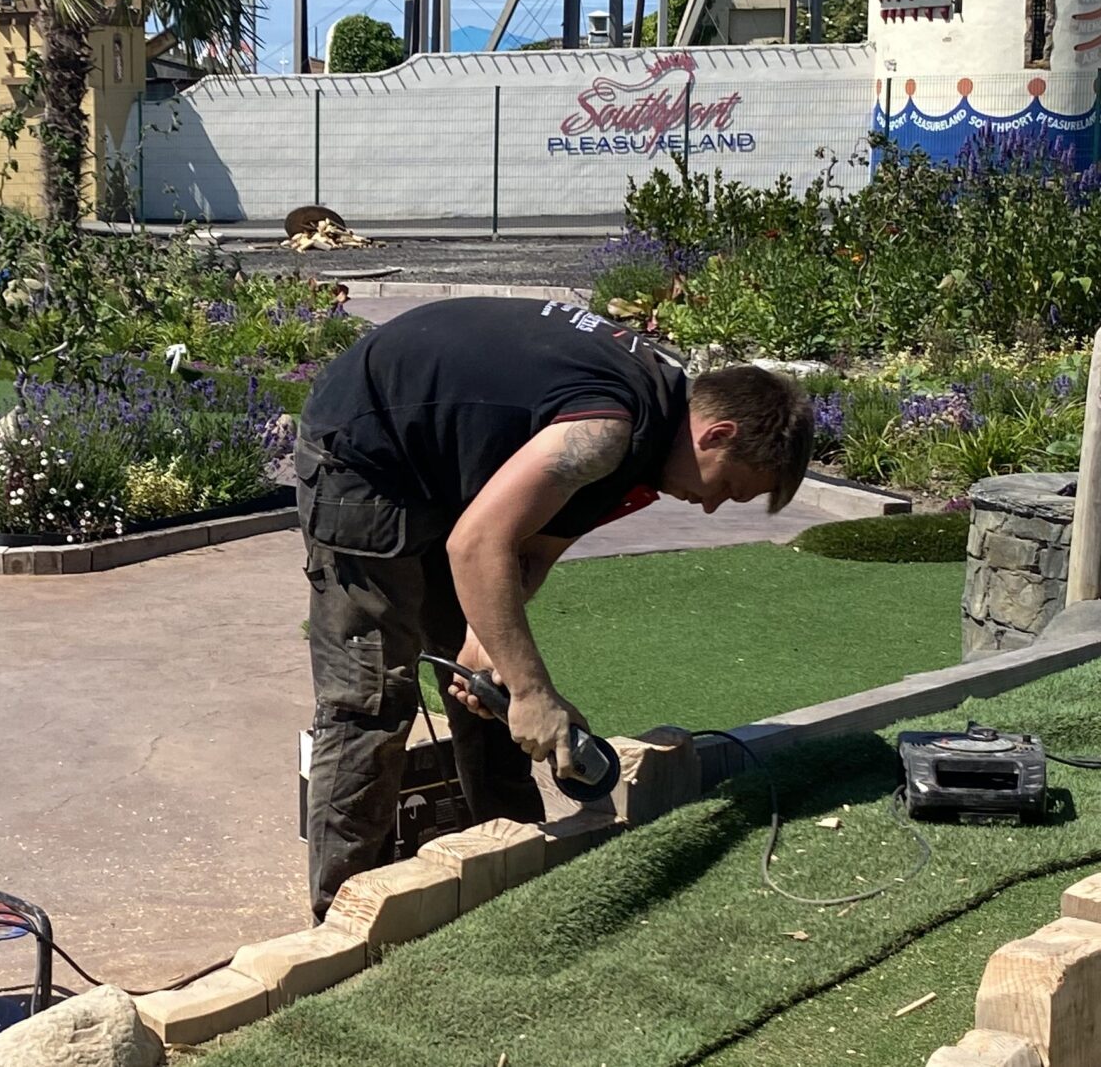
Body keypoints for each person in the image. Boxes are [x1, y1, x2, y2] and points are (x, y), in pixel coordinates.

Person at [294, 296, 811, 919]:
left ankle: (510, 865)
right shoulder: (605, 432)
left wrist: (499, 658)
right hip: (365, 449)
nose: (710, 508)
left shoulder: (647, 447)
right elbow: (477, 542)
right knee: (373, 697)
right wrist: (536, 692)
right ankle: (340, 920)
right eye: (728, 488)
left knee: (490, 682)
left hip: (442, 463)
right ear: (717, 434)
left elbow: (532, 548)